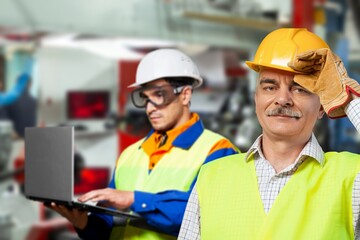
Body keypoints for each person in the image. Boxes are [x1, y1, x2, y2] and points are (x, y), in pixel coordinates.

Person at [178, 28, 360, 240]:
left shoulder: (351, 177)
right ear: (256, 100)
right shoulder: (211, 176)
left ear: (321, 106)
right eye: (270, 87)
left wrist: (348, 100)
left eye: (300, 89)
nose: (282, 99)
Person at [48, 48, 238, 239]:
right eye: (145, 98)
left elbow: (204, 214)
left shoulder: (218, 150)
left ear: (185, 95)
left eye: (159, 95)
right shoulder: (130, 154)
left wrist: (133, 199)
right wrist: (84, 222)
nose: (149, 108)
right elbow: (110, 225)